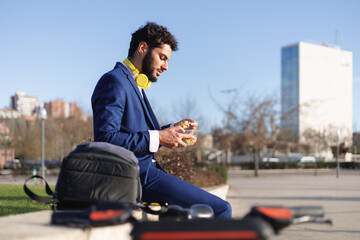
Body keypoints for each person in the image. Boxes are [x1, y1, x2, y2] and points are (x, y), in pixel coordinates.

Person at [91, 22, 232, 219]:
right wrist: (158, 137)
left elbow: (136, 132)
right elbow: (105, 139)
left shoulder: (134, 83)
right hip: (136, 176)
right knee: (221, 209)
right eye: (162, 57)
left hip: (145, 174)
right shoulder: (114, 81)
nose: (166, 66)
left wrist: (171, 131)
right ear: (142, 48)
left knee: (175, 218)